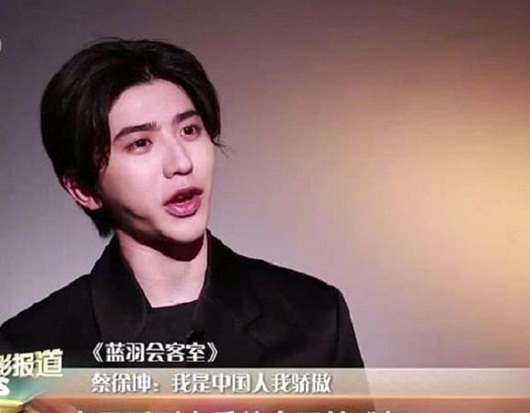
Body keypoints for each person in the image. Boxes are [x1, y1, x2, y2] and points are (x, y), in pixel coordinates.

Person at [0, 39, 365, 368]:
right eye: (140, 143)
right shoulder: (28, 352)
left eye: (189, 130)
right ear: (84, 189)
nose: (181, 162)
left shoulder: (314, 316)